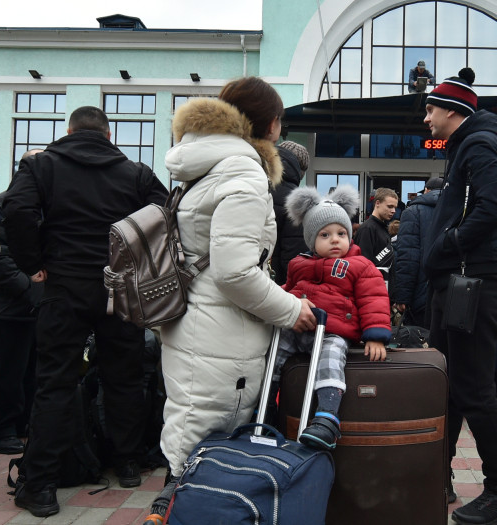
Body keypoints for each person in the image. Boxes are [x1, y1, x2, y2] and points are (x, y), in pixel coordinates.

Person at [148, 77, 318, 521]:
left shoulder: (204, 165)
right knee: (204, 445)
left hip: (193, 321)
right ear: (272, 124)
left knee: (186, 433)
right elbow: (235, 271)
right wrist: (290, 309)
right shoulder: (243, 174)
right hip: (222, 336)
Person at [4, 106, 168, 516]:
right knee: (125, 376)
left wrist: (34, 262)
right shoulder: (135, 172)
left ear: (70, 130)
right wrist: (137, 265)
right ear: (109, 135)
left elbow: (17, 211)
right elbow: (166, 216)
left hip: (64, 284)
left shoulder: (42, 165)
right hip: (120, 289)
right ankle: (128, 463)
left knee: (54, 382)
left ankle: (39, 485)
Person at [422, 67, 497, 524]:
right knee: (450, 389)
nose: (426, 118)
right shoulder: (467, 146)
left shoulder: (478, 145)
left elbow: (492, 211)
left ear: (453, 110)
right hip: (459, 281)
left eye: (431, 108)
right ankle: (436, 478)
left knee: (475, 390)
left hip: (471, 283)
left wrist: (445, 245)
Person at [277, 185, 391, 448]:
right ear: (311, 240)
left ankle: (327, 417)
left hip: (333, 332)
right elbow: (287, 291)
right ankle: (269, 399)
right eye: (325, 235)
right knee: (274, 349)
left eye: (342, 233)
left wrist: (375, 335)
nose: (335, 240)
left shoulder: (360, 265)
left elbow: (373, 299)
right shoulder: (298, 264)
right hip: (299, 330)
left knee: (331, 357)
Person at [0, 148, 43, 455]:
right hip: (13, 306)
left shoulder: (47, 206)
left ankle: (24, 424)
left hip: (41, 306)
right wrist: (28, 287)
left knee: (34, 371)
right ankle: (1, 430)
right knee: (9, 372)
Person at [392, 176, 442, 327]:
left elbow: (408, 258)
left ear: (426, 190)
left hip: (421, 296)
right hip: (452, 293)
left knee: (419, 343)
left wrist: (402, 297)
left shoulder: (413, 212)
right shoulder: (458, 210)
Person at [271, 140, 310, 285]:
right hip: (277, 285)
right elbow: (293, 254)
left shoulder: (256, 185)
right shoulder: (297, 201)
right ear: (300, 173)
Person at [354, 187, 398, 269]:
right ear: (377, 203)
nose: (393, 211)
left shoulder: (382, 227)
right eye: (390, 206)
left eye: (395, 207)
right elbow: (363, 265)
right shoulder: (367, 229)